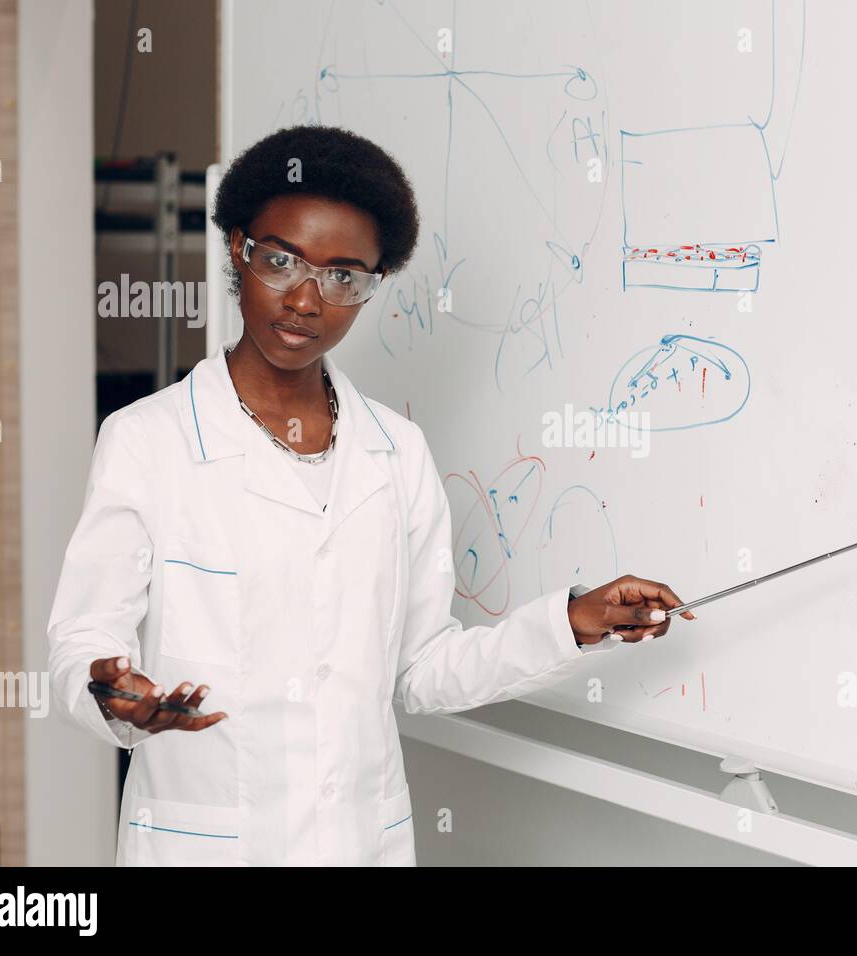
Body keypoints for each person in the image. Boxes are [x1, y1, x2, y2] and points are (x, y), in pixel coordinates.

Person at [47, 125, 696, 866]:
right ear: (238, 248)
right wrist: (112, 694)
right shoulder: (148, 440)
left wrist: (572, 623)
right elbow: (83, 643)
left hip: (360, 844)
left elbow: (420, 671)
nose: (304, 298)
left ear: (372, 283)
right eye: (280, 260)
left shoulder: (395, 452)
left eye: (344, 276)